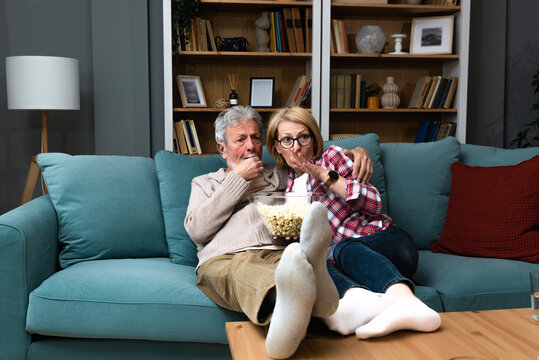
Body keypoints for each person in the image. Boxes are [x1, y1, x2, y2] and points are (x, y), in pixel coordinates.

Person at [184, 105, 375, 359]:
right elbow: (197, 230)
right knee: (254, 273)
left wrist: (355, 153)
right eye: (240, 139)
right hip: (227, 259)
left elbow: (313, 155)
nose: (251, 146)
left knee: (293, 265)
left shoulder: (280, 173)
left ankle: (310, 292)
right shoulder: (205, 183)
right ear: (222, 149)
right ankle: (311, 300)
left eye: (255, 137)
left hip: (282, 252)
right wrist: (238, 180)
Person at [266, 106, 441, 339]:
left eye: (303, 137)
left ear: (314, 139)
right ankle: (350, 310)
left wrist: (321, 174)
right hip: (350, 269)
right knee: (310, 266)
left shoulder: (333, 157)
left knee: (342, 247)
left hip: (389, 244)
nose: (296, 146)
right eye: (287, 140)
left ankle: (407, 302)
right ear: (277, 146)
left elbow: (374, 203)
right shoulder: (285, 188)